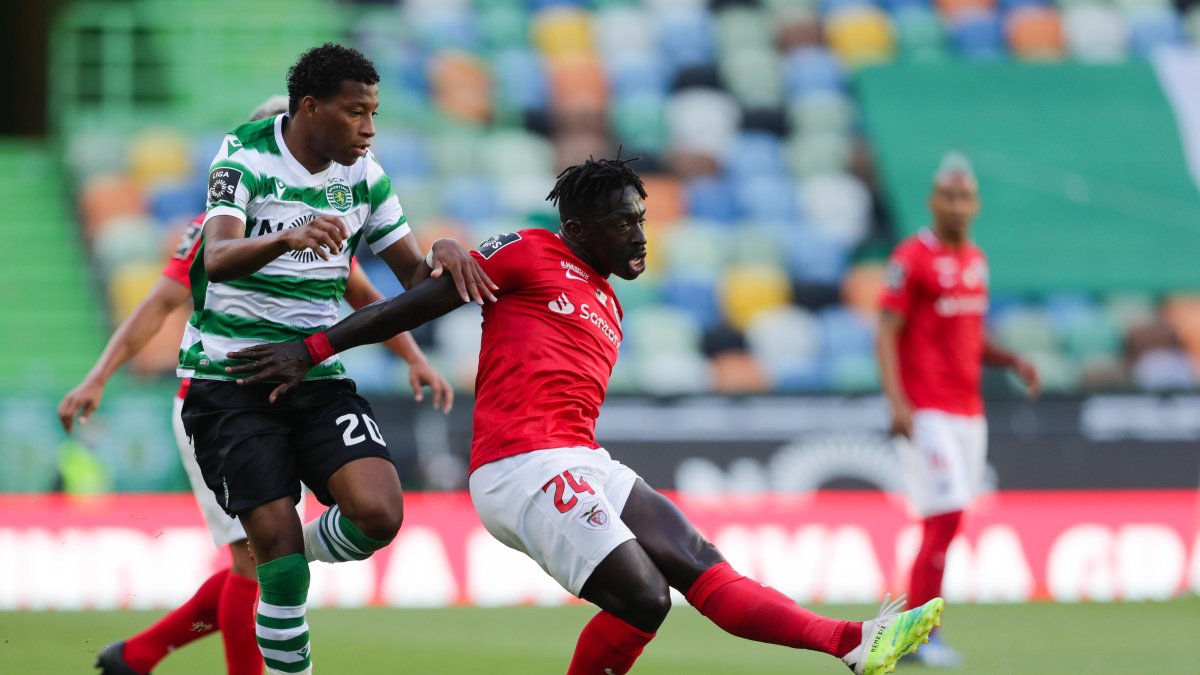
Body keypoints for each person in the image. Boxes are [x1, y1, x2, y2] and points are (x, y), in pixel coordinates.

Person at [226, 155, 944, 675]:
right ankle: (293, 548)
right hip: (518, 464)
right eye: (623, 221)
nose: (639, 234)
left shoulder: (609, 302)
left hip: (578, 457)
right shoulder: (528, 250)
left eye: (642, 219)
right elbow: (418, 300)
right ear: (579, 223)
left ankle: (853, 642)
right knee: (643, 596)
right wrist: (313, 347)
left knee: (696, 563)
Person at [61, 95, 454, 675]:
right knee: (254, 563)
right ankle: (165, 657)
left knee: (259, 562)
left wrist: (414, 356)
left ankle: (140, 654)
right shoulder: (212, 229)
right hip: (221, 394)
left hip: (302, 386)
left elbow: (363, 294)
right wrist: (99, 376)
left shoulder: (329, 214)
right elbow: (159, 304)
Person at [177, 43, 493, 675]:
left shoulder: (366, 176)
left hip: (315, 373)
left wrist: (448, 250)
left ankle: (295, 550)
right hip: (230, 378)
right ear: (312, 107)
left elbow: (413, 277)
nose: (369, 129)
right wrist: (287, 235)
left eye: (374, 113)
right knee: (282, 574)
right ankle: (286, 587)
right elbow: (215, 257)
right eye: (357, 113)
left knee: (380, 513)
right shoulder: (243, 154)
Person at [875, 152, 1040, 668]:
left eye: (966, 196)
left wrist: (1009, 357)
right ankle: (922, 633)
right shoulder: (912, 258)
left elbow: (968, 332)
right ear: (932, 201)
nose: (958, 206)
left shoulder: (976, 261)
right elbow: (885, 332)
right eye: (949, 195)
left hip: (970, 412)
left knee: (946, 520)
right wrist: (898, 402)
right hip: (928, 411)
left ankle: (912, 631)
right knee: (944, 516)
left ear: (976, 203)